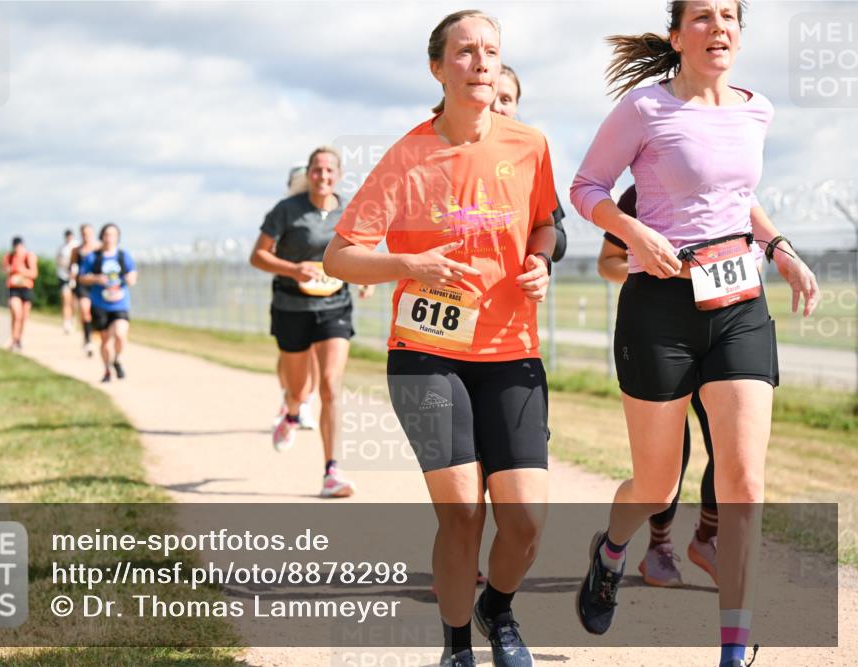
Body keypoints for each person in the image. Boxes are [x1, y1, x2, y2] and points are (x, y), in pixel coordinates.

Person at [569, 3, 820, 666]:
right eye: (703, 16)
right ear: (678, 36)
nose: (719, 27)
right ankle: (614, 548)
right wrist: (633, 232)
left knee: (744, 479)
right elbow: (587, 185)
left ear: (740, 33)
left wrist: (781, 247)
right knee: (656, 485)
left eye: (730, 16)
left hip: (739, 301)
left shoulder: (756, 109)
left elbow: (738, 200)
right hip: (660, 310)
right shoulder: (644, 109)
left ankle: (734, 645)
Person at [324, 10, 559, 666]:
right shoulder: (407, 156)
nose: (480, 61)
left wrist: (540, 260)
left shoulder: (529, 145)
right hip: (426, 353)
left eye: (490, 50)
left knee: (525, 522)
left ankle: (498, 606)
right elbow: (338, 257)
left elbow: (545, 224)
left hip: (511, 351)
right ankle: (457, 646)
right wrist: (409, 265)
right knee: (461, 512)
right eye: (464, 51)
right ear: (438, 67)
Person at [599, 185, 719, 587]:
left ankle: (707, 537)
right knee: (671, 450)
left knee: (730, 443)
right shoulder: (642, 193)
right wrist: (652, 267)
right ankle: (659, 546)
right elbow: (609, 263)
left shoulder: (730, 187)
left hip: (722, 328)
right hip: (662, 331)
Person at [250, 147, 366, 499]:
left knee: (330, 384)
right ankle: (292, 411)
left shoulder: (351, 210)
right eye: (317, 170)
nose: (323, 176)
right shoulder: (287, 210)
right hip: (291, 305)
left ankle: (332, 470)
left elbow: (359, 248)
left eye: (330, 170)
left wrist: (361, 280)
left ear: (339, 175)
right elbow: (258, 255)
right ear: (309, 174)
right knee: (299, 389)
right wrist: (292, 269)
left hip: (335, 305)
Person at [490, 64, 568, 263]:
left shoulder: (529, 159)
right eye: (490, 97)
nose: (496, 107)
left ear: (515, 107)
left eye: (505, 99)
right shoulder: (450, 153)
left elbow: (559, 243)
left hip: (517, 287)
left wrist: (524, 234)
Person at [273, 164, 321, 431]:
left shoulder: (323, 211)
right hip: (289, 293)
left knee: (314, 350)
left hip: (321, 293)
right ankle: (290, 394)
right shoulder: (284, 213)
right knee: (289, 354)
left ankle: (304, 403)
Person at [78, 223, 137, 382]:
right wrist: (96, 278)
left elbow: (133, 274)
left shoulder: (123, 256)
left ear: (117, 237)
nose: (109, 238)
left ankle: (117, 359)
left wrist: (131, 278)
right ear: (102, 236)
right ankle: (106, 370)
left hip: (120, 303)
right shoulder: (94, 257)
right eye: (107, 234)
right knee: (105, 340)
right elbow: (82, 277)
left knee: (120, 334)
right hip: (100, 304)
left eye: (113, 235)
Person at [1, 237, 38, 351]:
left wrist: (23, 271)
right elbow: (4, 270)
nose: (17, 248)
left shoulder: (29, 257)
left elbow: (34, 273)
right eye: (15, 246)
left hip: (26, 288)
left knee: (23, 317)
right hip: (14, 289)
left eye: (19, 246)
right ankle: (13, 339)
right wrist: (11, 269)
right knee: (16, 314)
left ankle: (19, 339)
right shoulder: (9, 256)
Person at [71, 224, 101, 357]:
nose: (86, 236)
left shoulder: (100, 248)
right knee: (85, 310)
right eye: (83, 233)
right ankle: (88, 339)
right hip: (82, 284)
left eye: (88, 233)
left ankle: (94, 334)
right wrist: (72, 276)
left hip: (97, 285)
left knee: (95, 313)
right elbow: (72, 267)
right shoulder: (76, 250)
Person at [56, 229, 79, 334]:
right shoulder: (61, 248)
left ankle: (72, 318)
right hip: (64, 276)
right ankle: (66, 322)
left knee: (73, 302)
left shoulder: (77, 245)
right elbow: (58, 260)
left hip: (76, 277)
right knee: (65, 299)